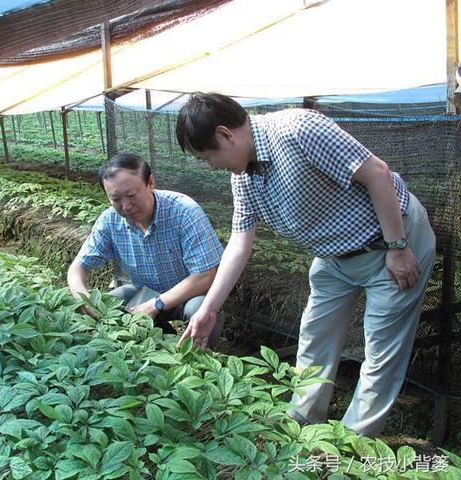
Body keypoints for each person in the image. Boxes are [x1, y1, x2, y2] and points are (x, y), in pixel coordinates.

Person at [175, 92, 436, 437]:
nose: (212, 166)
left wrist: (398, 247)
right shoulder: (243, 177)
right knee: (314, 338)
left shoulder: (298, 129)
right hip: (335, 256)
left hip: (391, 240)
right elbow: (240, 242)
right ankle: (301, 426)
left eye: (209, 157)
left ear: (225, 135)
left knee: (380, 354)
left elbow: (376, 173)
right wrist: (208, 309)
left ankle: (351, 445)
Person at [67, 152, 225, 345]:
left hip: (188, 294)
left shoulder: (184, 211)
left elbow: (205, 276)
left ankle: (200, 360)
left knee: (199, 309)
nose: (125, 206)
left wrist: (157, 304)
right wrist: (83, 297)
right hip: (144, 291)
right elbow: (78, 267)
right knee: (104, 306)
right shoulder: (109, 220)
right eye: (115, 199)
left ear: (150, 183)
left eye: (132, 195)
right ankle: (149, 343)